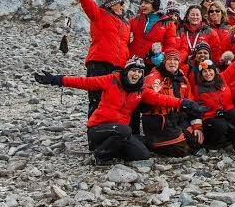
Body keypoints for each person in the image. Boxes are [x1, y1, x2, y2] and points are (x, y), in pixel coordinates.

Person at [33, 57, 202, 162]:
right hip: (99, 128)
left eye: (139, 72)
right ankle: (100, 154)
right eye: (133, 70)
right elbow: (84, 82)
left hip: (120, 131)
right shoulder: (112, 80)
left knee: (142, 155)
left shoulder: (140, 90)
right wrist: (57, 80)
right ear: (127, 71)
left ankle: (113, 150)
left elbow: (160, 98)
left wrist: (185, 103)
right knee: (124, 130)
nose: (135, 75)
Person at [56, 0, 130, 117]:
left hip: (119, 68)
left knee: (114, 101)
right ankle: (94, 134)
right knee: (96, 101)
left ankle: (110, 133)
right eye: (121, 3)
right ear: (112, 4)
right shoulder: (98, 15)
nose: (123, 6)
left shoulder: (125, 23)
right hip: (99, 64)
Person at [193, 61, 235, 151]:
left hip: (225, 111)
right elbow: (196, 108)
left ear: (215, 71)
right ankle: (214, 145)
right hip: (209, 117)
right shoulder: (198, 88)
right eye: (205, 72)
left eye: (210, 70)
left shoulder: (222, 78)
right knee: (221, 125)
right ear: (201, 74)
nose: (208, 73)